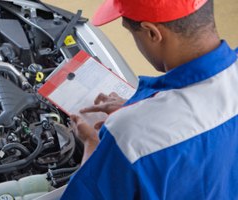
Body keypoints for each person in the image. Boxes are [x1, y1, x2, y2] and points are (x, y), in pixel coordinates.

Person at [61, 0, 238, 199]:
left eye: (131, 33)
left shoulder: (130, 136)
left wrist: (92, 143)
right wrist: (141, 108)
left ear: (152, 33)